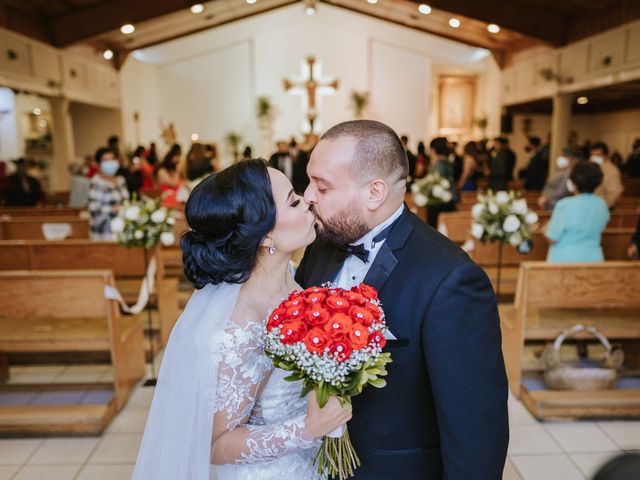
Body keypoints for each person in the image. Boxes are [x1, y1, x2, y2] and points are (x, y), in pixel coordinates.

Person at [296, 120, 509, 479]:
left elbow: (475, 430)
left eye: (322, 186)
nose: (308, 196)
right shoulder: (321, 247)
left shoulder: (450, 279)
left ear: (374, 193)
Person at [133, 159, 351, 479]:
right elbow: (213, 444)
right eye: (293, 201)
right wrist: (307, 428)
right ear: (264, 237)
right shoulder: (240, 326)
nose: (307, 202)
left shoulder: (289, 277)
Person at [545, 161, 610, 262]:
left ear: (573, 181)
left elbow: (552, 238)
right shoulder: (601, 204)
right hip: (593, 259)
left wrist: (545, 229)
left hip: (564, 260)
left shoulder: (564, 205)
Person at [87, 147, 129, 240]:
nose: (110, 163)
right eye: (105, 160)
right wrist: (115, 209)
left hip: (123, 231)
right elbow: (95, 211)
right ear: (98, 164)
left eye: (112, 159)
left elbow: (125, 201)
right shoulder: (96, 183)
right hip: (104, 234)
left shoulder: (121, 180)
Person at [427, 136, 457, 228]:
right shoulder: (446, 161)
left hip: (439, 202)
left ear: (434, 149)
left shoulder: (439, 163)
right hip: (448, 200)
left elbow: (435, 182)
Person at [591, 141, 624, 208]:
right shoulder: (592, 166)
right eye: (592, 155)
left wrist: (602, 207)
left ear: (606, 155)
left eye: (598, 155)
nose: (594, 158)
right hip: (591, 204)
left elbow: (614, 195)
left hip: (601, 207)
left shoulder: (611, 170)